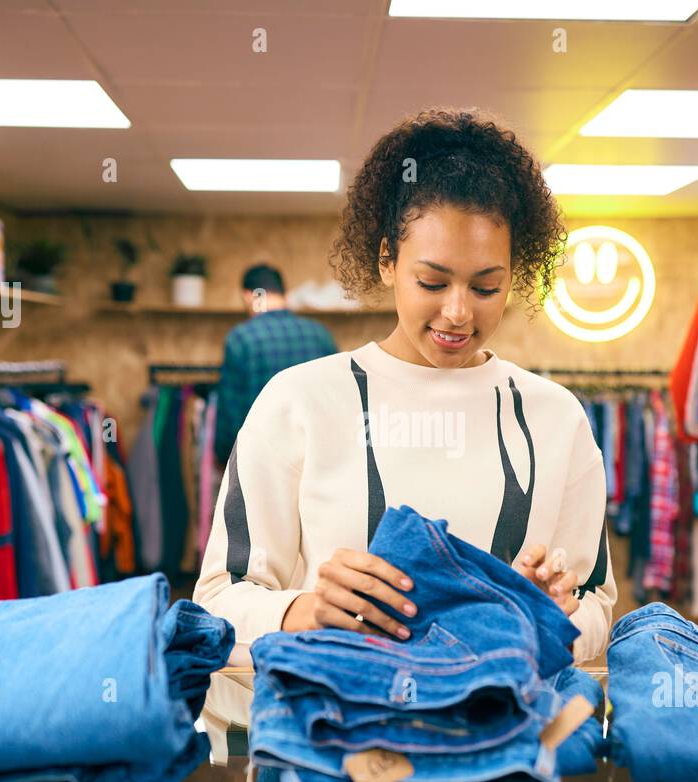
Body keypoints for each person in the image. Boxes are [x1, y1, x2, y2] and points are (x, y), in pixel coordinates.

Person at [194, 108, 617, 738]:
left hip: (503, 761)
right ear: (388, 260)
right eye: (432, 280)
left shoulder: (556, 420)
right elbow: (217, 604)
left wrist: (550, 617)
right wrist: (306, 609)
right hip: (331, 763)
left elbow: (599, 609)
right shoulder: (300, 401)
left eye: (485, 287)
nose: (456, 313)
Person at [213, 264, 338, 463]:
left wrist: (222, 457)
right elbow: (337, 403)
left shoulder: (241, 339)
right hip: (315, 461)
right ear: (285, 295)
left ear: (248, 296)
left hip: (261, 463)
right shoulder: (321, 335)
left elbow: (230, 416)